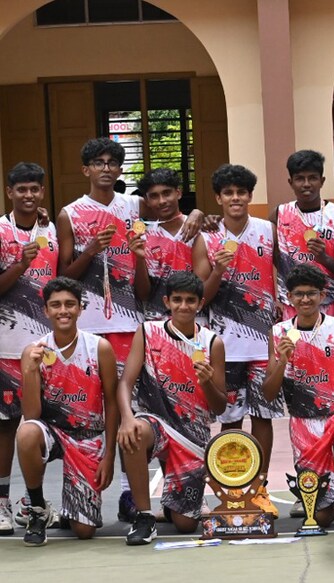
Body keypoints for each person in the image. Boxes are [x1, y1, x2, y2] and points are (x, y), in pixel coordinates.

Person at [56, 139, 202, 521]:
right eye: (97, 162)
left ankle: (128, 493)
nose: (105, 168)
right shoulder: (69, 214)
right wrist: (90, 250)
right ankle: (81, 492)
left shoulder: (133, 206)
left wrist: (199, 213)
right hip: (86, 328)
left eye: (112, 163)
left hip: (127, 322)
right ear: (85, 168)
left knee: (131, 409)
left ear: (120, 170)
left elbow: (171, 214)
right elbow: (63, 274)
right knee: (90, 407)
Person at [192, 164, 280, 518]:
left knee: (263, 417)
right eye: (228, 193)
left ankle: (259, 489)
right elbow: (199, 297)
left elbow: (284, 278)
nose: (235, 198)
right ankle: (231, 489)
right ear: (218, 198)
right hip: (224, 347)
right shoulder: (207, 237)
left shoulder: (267, 231)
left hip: (263, 344)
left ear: (250, 196)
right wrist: (219, 270)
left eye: (241, 192)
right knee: (230, 421)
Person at [116, 273, 227, 544]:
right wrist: (127, 418)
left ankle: (172, 503)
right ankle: (144, 516)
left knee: (186, 524)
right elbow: (125, 383)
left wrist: (207, 383)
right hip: (155, 422)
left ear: (201, 303)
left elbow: (220, 405)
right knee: (135, 434)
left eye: (190, 300)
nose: (184, 306)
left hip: (192, 434)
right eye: (177, 300)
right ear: (167, 301)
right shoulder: (148, 332)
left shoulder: (213, 343)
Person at [261, 264, 334, 533]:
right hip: (303, 421)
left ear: (322, 295)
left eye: (311, 293)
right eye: (299, 294)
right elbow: (268, 392)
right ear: (289, 298)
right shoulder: (278, 333)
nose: (305, 299)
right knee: (320, 516)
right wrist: (283, 360)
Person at [16, 277, 118, 545]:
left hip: (87, 437)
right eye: (56, 305)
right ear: (46, 310)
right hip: (52, 431)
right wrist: (29, 373)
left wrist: (109, 455)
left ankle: (70, 508)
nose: (64, 310)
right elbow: (31, 415)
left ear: (80, 308)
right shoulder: (34, 352)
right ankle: (37, 509)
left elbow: (112, 402)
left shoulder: (100, 348)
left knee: (84, 531)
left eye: (70, 304)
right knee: (27, 434)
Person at [0, 162, 57, 535]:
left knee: (44, 426)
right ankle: (3, 501)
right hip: (6, 347)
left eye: (34, 188)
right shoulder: (0, 231)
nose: (29, 195)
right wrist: (19, 265)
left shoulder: (50, 229)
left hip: (46, 349)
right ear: (10, 193)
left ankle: (33, 500)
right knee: (5, 428)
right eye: (21, 189)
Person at [272, 149, 334, 320]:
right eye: (300, 178)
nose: (306, 184)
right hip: (291, 306)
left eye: (313, 178)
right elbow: (270, 258)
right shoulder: (279, 215)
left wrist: (324, 258)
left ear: (322, 181)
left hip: (329, 305)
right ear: (291, 182)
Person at [135, 169, 196, 322]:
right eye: (154, 196)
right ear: (146, 201)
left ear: (178, 193)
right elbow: (143, 294)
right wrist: (140, 259)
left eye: (167, 193)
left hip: (197, 322)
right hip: (157, 323)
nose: (162, 201)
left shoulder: (199, 230)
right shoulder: (143, 237)